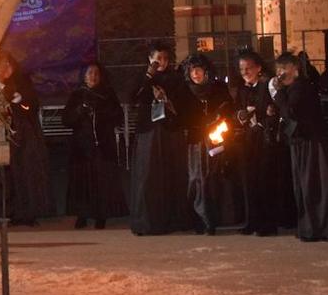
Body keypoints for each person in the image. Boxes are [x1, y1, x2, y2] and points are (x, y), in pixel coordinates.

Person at [271, 53, 328, 242]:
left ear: (295, 69)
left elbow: (291, 112)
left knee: (313, 186)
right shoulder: (293, 88)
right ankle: (312, 227)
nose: (280, 74)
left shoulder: (300, 87)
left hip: (312, 143)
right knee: (306, 186)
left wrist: (277, 96)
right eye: (278, 69)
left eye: (283, 69)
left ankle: (315, 227)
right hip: (304, 142)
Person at [128, 43, 193, 235]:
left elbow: (184, 104)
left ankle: (173, 218)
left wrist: (166, 99)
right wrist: (148, 77)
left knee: (172, 173)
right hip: (149, 130)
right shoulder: (143, 77)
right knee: (149, 175)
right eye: (158, 59)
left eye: (165, 58)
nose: (162, 62)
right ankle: (147, 221)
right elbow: (132, 98)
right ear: (150, 59)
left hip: (170, 131)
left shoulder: (176, 79)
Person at [61, 62, 128, 229]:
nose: (93, 76)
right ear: (84, 76)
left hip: (102, 146)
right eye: (90, 73)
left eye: (96, 73)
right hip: (82, 147)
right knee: (82, 181)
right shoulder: (77, 95)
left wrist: (102, 112)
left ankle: (101, 215)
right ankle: (82, 215)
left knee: (101, 181)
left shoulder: (107, 94)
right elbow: (66, 120)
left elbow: (118, 116)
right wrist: (81, 111)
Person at [0, 52, 55, 226]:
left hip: (26, 133)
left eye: (7, 62)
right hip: (9, 133)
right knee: (12, 175)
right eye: (1, 64)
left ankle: (30, 212)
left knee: (28, 172)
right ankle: (14, 212)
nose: (5, 67)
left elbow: (31, 104)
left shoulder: (22, 80)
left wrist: (21, 100)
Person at [183, 55, 238, 235]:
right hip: (195, 141)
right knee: (196, 179)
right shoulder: (186, 91)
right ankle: (200, 219)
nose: (196, 74)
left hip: (215, 139)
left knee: (213, 177)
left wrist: (218, 116)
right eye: (192, 70)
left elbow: (229, 107)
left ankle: (214, 217)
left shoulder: (218, 89)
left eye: (199, 70)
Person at [234, 51, 285, 235]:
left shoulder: (267, 86)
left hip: (265, 137)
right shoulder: (242, 89)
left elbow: (276, 110)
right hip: (248, 138)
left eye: (248, 68)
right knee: (249, 180)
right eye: (241, 69)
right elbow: (236, 110)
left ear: (258, 68)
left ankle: (268, 223)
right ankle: (252, 221)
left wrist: (262, 121)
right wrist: (240, 116)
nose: (245, 72)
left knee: (265, 180)